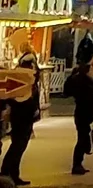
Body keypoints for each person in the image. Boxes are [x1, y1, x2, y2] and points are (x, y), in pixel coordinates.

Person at [0, 55, 38, 185]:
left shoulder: (26, 81)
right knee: (17, 147)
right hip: (20, 117)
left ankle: (13, 175)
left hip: (26, 117)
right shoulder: (17, 80)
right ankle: (6, 174)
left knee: (19, 147)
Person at [64, 52, 93, 176]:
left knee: (83, 137)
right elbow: (86, 98)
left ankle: (79, 162)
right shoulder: (83, 83)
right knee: (82, 139)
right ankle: (76, 165)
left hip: (84, 112)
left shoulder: (83, 81)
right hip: (83, 113)